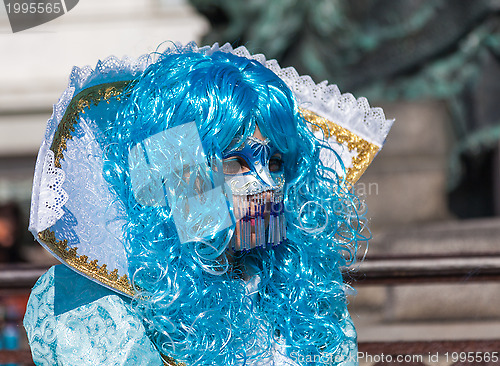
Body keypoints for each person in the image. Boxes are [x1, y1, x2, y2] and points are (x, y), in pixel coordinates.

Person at [24, 42, 392, 365]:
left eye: (276, 163)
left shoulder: (303, 292)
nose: (266, 185)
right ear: (174, 166)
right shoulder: (89, 303)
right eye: (235, 162)